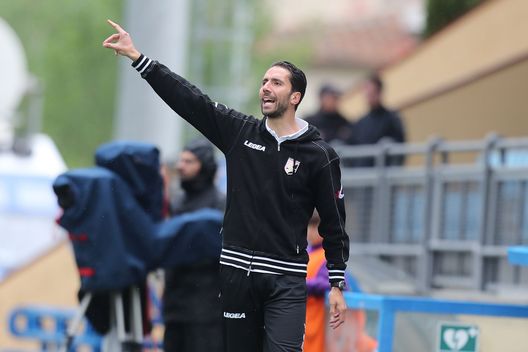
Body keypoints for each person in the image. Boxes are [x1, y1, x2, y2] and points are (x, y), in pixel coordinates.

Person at [103, 19, 349, 352]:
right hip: (236, 274)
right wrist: (138, 58)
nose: (265, 87)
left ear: (295, 96)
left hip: (286, 280)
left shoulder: (320, 155)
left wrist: (337, 283)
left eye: (275, 83)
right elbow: (190, 100)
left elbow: (334, 223)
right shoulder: (240, 132)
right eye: (264, 81)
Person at [162, 138, 225, 352]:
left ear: (205, 166)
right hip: (175, 307)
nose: (181, 166)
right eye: (181, 160)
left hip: (208, 311)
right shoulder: (175, 203)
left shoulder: (221, 204)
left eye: (189, 161)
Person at [305, 211, 377, 352]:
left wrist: (304, 284)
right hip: (308, 319)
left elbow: (333, 284)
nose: (311, 232)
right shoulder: (307, 253)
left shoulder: (329, 257)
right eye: (309, 227)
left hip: (322, 321)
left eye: (315, 227)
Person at [352, 74, 406, 167]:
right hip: (362, 176)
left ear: (379, 93)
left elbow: (400, 148)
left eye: (371, 93)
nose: (368, 96)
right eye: (366, 93)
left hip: (384, 176)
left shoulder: (392, 119)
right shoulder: (360, 122)